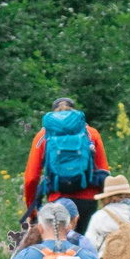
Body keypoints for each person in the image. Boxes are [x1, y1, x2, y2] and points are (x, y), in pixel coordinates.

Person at [21, 96, 110, 231]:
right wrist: (108, 204)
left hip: (57, 201)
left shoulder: (43, 136)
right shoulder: (91, 134)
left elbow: (31, 178)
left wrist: (32, 210)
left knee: (60, 247)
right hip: (88, 201)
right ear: (75, 112)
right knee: (86, 247)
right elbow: (104, 173)